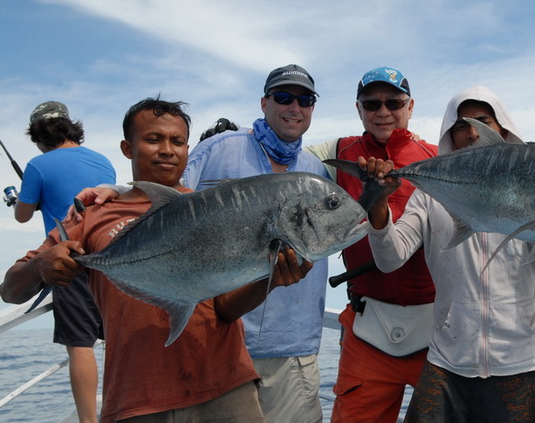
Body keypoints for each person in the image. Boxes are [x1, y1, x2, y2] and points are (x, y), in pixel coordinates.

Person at [1, 97, 311, 422]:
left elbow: (224, 309)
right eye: (153, 139)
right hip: (136, 398)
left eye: (177, 141)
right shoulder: (91, 216)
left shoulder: (216, 208)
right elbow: (10, 290)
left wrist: (270, 280)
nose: (167, 149)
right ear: (126, 147)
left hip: (226, 388)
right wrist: (41, 266)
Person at [360, 85, 535, 422]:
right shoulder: (431, 193)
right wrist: (378, 202)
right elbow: (390, 258)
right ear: (451, 136)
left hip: (529, 362)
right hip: (449, 362)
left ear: (502, 129)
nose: (473, 133)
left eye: (483, 122)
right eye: (461, 126)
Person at [183, 65, 329, 423]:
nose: (294, 107)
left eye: (305, 99)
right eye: (283, 97)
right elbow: (166, 204)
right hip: (217, 341)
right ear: (264, 102)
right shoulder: (218, 149)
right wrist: (115, 192)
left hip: (292, 346)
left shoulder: (316, 172)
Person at [306, 67, 438, 423]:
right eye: (372, 103)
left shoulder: (439, 157)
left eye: (393, 102)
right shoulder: (336, 152)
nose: (383, 111)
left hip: (440, 332)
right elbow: (288, 162)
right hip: (367, 330)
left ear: (410, 107)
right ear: (358, 108)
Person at [12, 101, 115, 423]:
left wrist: (23, 197)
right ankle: (120, 408)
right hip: (111, 253)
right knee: (115, 336)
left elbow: (22, 214)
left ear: (39, 136)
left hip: (70, 257)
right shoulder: (103, 160)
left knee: (79, 343)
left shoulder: (38, 165)